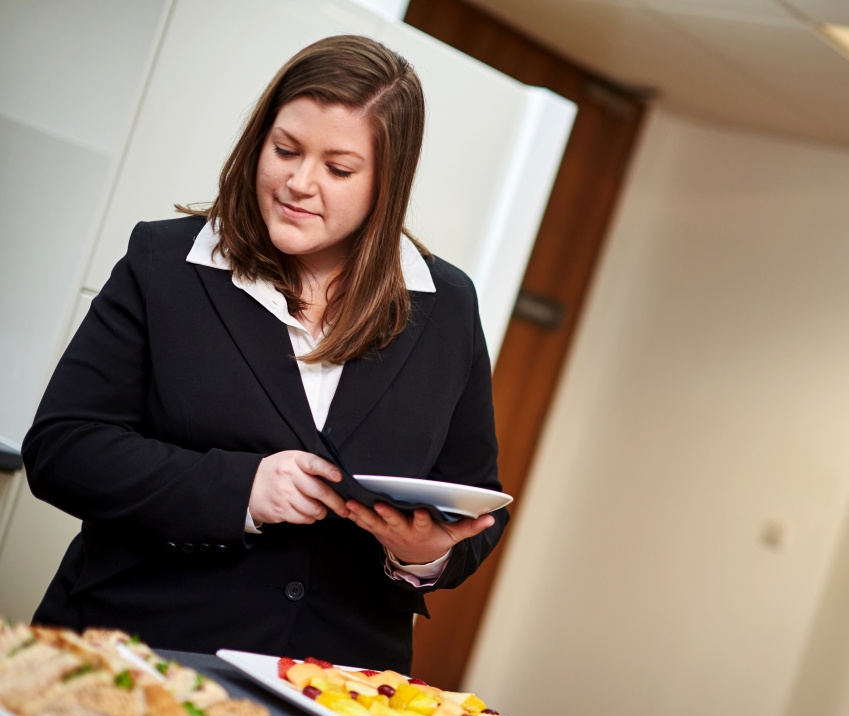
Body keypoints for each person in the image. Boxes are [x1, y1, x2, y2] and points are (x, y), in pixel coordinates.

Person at [22, 35, 507, 671]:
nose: (299, 183)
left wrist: (422, 552)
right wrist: (243, 488)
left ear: (387, 184)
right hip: (137, 655)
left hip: (336, 689)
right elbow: (64, 448)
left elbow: (476, 500)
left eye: (338, 169)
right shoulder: (165, 264)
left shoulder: (446, 304)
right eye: (285, 150)